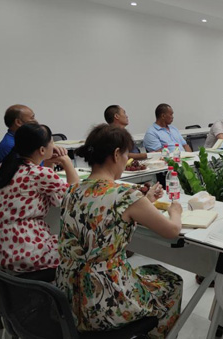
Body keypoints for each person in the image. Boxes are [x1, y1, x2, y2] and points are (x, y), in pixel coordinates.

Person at [56, 124, 183, 337]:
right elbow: (172, 231)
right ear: (116, 154)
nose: (127, 160)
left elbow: (103, 216)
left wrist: (146, 200)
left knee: (149, 271)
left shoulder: (72, 190)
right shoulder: (126, 195)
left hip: (67, 297)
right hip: (104, 301)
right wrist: (175, 211)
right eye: (126, 155)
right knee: (171, 281)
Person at [0, 123, 78, 279]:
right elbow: (74, 197)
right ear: (42, 150)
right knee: (75, 251)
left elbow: (45, 186)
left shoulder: (4, 168)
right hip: (18, 252)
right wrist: (67, 162)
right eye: (52, 142)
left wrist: (48, 162)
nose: (55, 145)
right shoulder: (38, 173)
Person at [0, 104, 69, 167]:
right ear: (18, 122)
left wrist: (50, 154)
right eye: (32, 118)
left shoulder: (24, 140)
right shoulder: (10, 145)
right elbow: (36, 172)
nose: (36, 121)